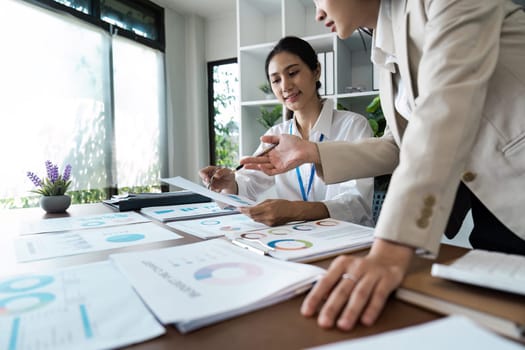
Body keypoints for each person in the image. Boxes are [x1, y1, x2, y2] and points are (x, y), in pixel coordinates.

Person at [239, 0, 525, 331]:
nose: (317, 12)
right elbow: (396, 145)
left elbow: (444, 110)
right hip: (494, 211)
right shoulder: (386, 47)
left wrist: (390, 251)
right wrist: (313, 152)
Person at [200, 36, 374, 227]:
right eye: (275, 80)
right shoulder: (276, 134)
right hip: (295, 241)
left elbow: (357, 204)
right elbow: (249, 184)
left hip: (347, 240)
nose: (285, 86)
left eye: (292, 73)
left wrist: (295, 211)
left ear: (316, 71)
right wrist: (230, 183)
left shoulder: (352, 126)